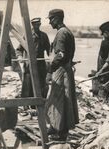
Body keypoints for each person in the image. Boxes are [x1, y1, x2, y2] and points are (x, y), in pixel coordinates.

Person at [45, 9, 79, 141]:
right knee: (59, 100)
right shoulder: (67, 32)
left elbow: (61, 55)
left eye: (51, 19)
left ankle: (61, 131)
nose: (49, 22)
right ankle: (55, 126)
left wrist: (50, 70)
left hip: (61, 71)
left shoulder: (61, 33)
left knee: (60, 101)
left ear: (58, 19)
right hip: (65, 69)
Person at [16, 17, 50, 100]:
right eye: (35, 24)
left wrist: (52, 59)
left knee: (41, 85)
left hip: (40, 65)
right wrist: (20, 57)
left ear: (40, 24)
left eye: (38, 24)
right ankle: (26, 104)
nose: (36, 26)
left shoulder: (44, 36)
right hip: (29, 65)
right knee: (27, 85)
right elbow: (18, 50)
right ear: (32, 25)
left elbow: (49, 50)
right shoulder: (27, 36)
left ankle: (39, 104)